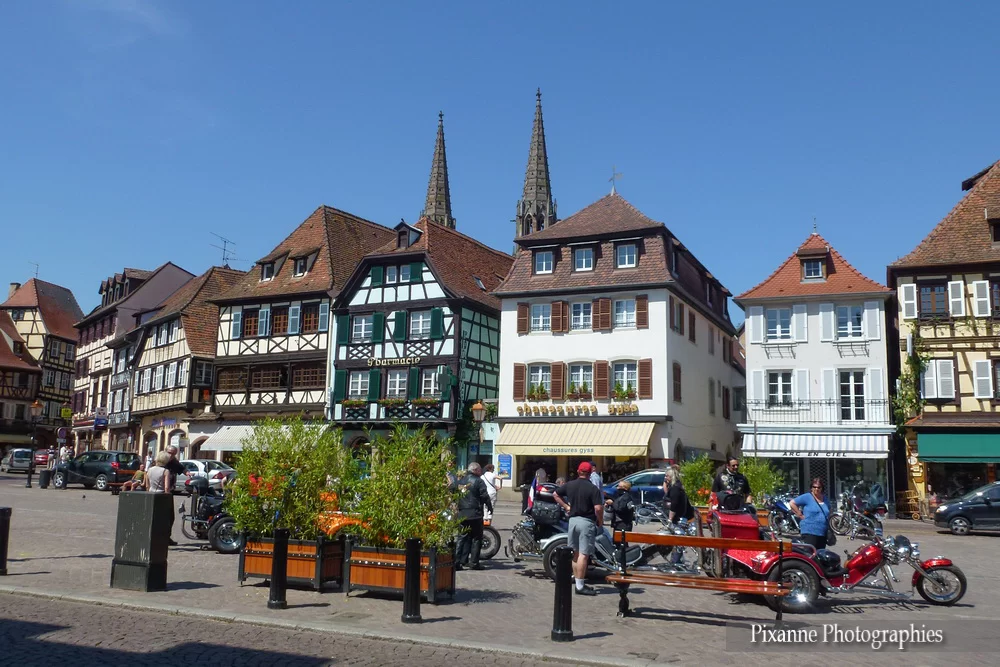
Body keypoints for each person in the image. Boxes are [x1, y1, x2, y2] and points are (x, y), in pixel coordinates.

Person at [553, 462, 603, 596]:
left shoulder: (570, 485)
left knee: (575, 553)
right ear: (590, 473)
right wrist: (600, 520)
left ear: (578, 471)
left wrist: (566, 506)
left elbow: (555, 494)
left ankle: (578, 581)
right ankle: (580, 586)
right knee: (584, 554)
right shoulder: (593, 489)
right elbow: (598, 508)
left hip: (573, 521)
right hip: (586, 521)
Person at [454, 462, 493, 571]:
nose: (481, 472)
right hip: (475, 514)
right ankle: (474, 562)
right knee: (476, 538)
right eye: (480, 470)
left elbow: (454, 493)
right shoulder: (478, 481)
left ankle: (459, 561)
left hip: (462, 513)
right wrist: (489, 507)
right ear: (475, 470)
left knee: (462, 537)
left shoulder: (461, 481)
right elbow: (484, 495)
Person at [663, 466, 696, 566]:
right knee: (678, 539)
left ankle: (675, 561)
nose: (665, 478)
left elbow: (674, 505)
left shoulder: (675, 489)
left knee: (677, 539)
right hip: (683, 516)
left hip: (679, 518)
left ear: (672, 476)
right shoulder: (678, 486)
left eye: (667, 476)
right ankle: (677, 560)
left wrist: (670, 519)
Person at [144, 451, 177, 545]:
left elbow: (147, 485)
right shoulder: (165, 471)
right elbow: (166, 487)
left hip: (151, 494)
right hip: (162, 496)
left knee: (152, 518)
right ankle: (164, 538)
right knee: (167, 519)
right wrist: (167, 497)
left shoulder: (150, 470)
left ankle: (150, 536)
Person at [790, 477, 831, 550]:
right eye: (814, 487)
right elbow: (792, 503)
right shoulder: (807, 497)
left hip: (822, 532)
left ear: (822, 488)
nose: (816, 489)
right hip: (809, 531)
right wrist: (800, 514)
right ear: (811, 487)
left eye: (819, 487)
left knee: (820, 555)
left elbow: (829, 510)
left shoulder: (825, 499)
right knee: (810, 554)